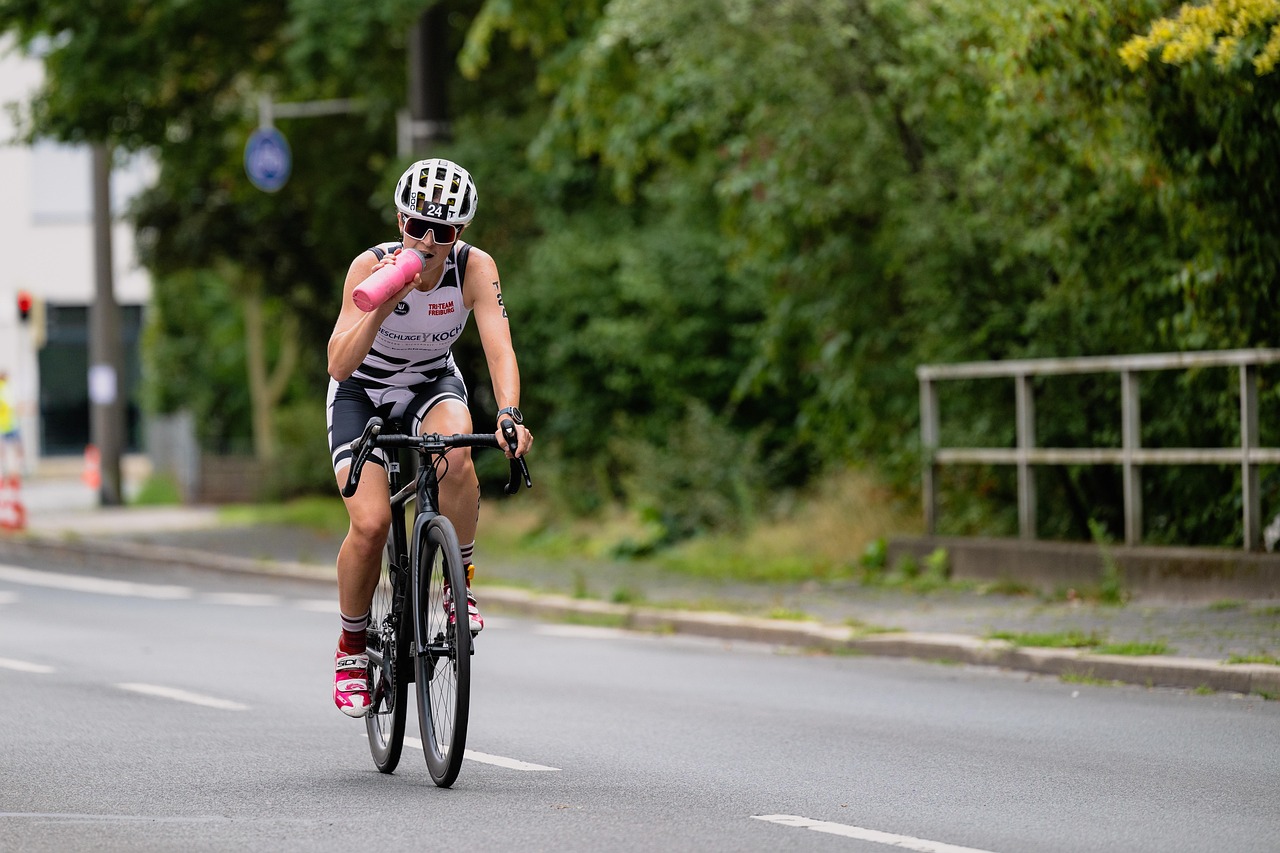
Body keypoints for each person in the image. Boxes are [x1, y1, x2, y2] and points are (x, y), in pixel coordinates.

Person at [325, 158, 533, 718]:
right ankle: (350, 649)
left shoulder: (474, 268)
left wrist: (510, 413)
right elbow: (340, 364)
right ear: (399, 221)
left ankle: (456, 582)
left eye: (442, 231)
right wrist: (385, 300)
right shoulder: (367, 267)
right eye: (417, 226)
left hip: (429, 381)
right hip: (362, 390)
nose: (428, 240)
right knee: (369, 524)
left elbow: (498, 347)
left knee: (459, 453)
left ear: (458, 234)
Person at [0, 371, 23, 479]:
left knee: (7, 454)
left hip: (7, 425)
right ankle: (12, 475)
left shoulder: (6, 389)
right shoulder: (5, 389)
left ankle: (8, 474)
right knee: (15, 451)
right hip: (8, 426)